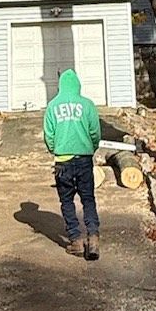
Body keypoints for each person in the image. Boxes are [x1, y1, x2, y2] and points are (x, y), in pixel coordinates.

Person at [42, 67, 102, 260]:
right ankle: (93, 237)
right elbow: (95, 132)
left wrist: (54, 149)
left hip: (62, 162)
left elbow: (48, 134)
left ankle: (75, 239)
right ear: (77, 85)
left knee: (67, 201)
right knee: (88, 199)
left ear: (60, 86)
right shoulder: (87, 105)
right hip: (84, 159)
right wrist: (91, 148)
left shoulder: (52, 106)